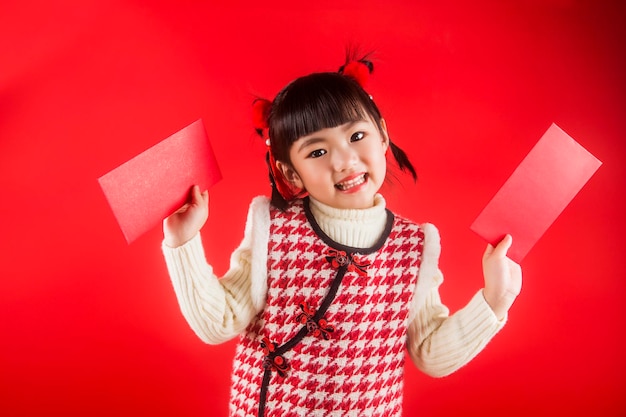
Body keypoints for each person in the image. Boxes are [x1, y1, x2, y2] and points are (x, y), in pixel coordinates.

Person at [161, 55, 522, 417]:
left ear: (382, 135)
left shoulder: (413, 247)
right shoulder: (274, 228)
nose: (344, 160)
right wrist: (183, 242)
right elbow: (217, 322)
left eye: (356, 135)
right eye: (318, 151)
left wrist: (493, 301)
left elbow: (431, 352)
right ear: (290, 172)